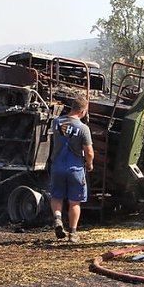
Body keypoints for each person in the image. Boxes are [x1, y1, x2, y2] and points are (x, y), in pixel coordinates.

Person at [49, 95, 94, 242]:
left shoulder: (56, 122)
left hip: (57, 167)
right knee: (75, 202)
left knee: (57, 197)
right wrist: (89, 164)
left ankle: (57, 219)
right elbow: (89, 152)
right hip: (75, 169)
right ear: (83, 111)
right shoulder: (83, 128)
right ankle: (73, 233)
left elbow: (62, 133)